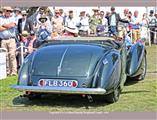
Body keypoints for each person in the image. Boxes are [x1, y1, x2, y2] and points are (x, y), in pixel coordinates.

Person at [0, 6, 17, 76]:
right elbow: (0, 28)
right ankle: (6, 71)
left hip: (11, 39)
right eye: (7, 11)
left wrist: (4, 25)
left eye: (10, 11)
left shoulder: (13, 18)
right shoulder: (0, 18)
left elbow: (13, 25)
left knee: (12, 55)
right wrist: (8, 26)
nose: (8, 12)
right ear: (4, 11)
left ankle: (13, 71)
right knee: (5, 56)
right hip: (3, 40)